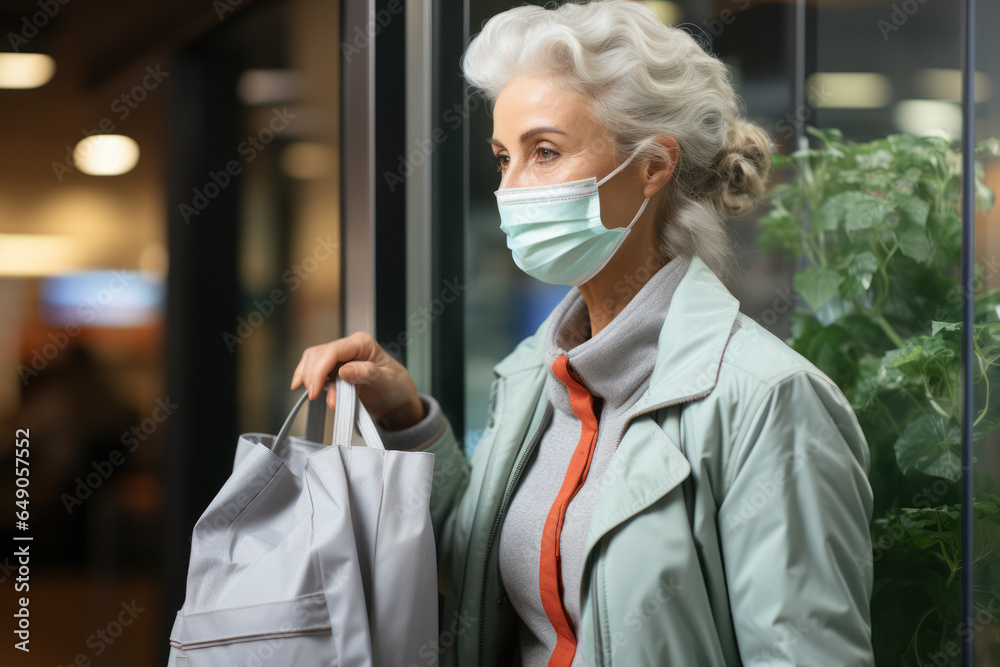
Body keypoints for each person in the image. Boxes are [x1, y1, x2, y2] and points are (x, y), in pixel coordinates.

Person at [291, 1, 874, 665]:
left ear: (652, 167)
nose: (510, 188)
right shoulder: (531, 375)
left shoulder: (770, 400)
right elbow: (489, 569)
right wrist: (405, 418)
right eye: (503, 157)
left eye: (545, 152)